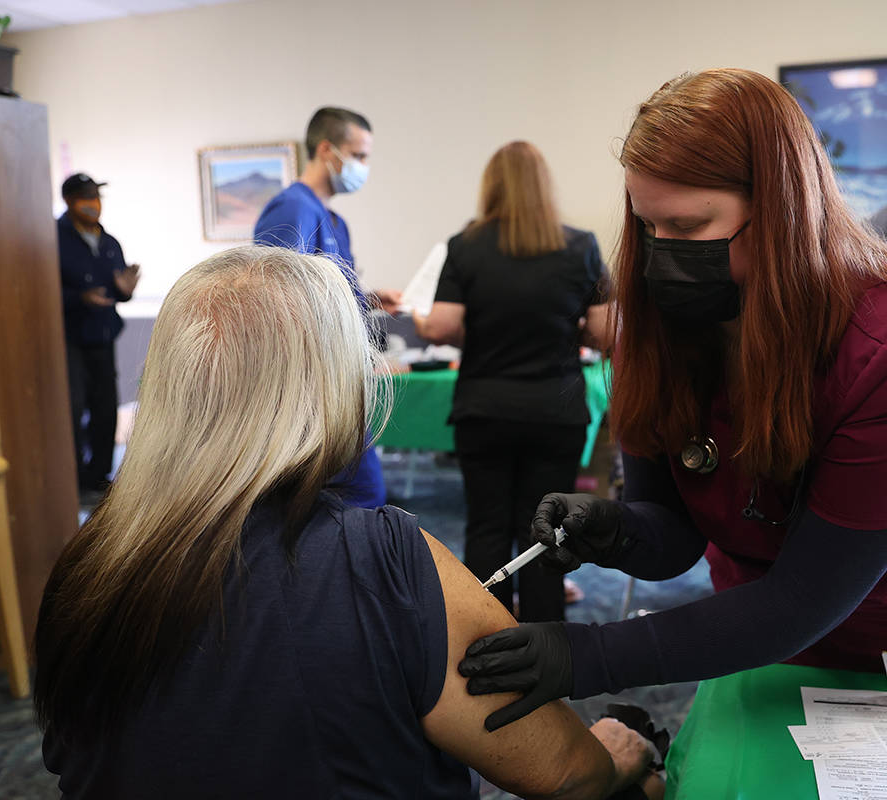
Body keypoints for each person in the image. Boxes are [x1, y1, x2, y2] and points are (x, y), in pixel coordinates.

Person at [458, 69, 887, 733]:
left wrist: (588, 654)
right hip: (760, 620)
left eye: (690, 224)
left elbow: (804, 598)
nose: (663, 254)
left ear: (785, 209)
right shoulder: (660, 324)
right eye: (648, 226)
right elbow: (677, 533)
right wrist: (618, 530)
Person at [33, 246, 662, 800]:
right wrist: (617, 753)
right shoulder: (383, 561)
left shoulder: (89, 559)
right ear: (334, 382)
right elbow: (562, 771)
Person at [413, 141, 610, 623]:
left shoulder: (465, 247)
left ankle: (488, 638)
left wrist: (461, 325)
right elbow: (606, 333)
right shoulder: (580, 246)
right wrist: (566, 328)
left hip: (485, 409)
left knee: (486, 528)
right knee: (547, 531)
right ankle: (544, 645)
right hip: (554, 411)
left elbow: (439, 326)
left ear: (491, 187)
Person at [253, 106, 401, 509]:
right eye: (359, 155)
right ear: (326, 150)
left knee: (360, 503)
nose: (364, 167)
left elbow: (327, 295)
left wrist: (368, 300)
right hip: (314, 394)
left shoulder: (333, 220)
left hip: (342, 385)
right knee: (358, 501)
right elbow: (276, 300)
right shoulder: (293, 209)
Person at [57, 173, 140, 498]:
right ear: (69, 201)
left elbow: (119, 288)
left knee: (106, 407)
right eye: (86, 197)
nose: (93, 204)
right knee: (74, 408)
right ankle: (76, 481)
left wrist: (125, 291)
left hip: (103, 335)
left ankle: (100, 477)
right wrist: (80, 298)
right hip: (70, 337)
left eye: (97, 197)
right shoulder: (54, 238)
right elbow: (44, 288)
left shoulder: (109, 242)